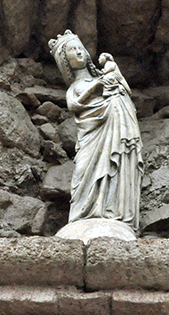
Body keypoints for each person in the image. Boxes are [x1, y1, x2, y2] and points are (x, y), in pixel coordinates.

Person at [49, 31, 143, 231]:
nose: (78, 52)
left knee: (118, 165)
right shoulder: (76, 86)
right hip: (91, 137)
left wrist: (114, 73)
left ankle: (115, 213)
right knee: (85, 170)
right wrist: (95, 87)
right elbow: (74, 104)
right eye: (72, 50)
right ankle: (84, 214)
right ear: (66, 61)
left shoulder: (104, 75)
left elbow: (126, 91)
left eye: (79, 47)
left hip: (118, 129)